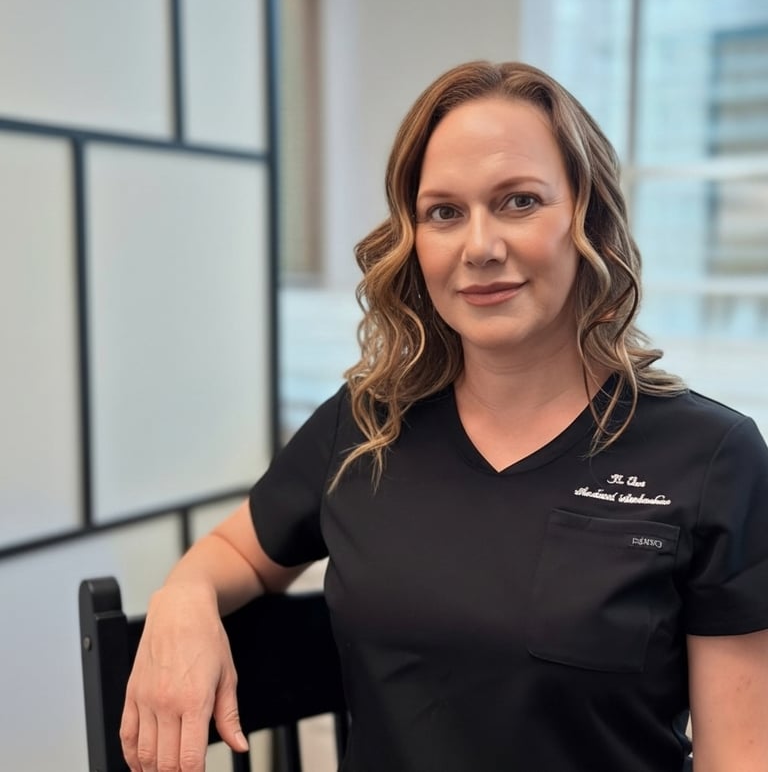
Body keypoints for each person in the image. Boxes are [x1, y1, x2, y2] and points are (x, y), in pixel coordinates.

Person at [120, 61, 768, 772]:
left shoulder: (712, 457)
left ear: (589, 219)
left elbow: (741, 756)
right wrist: (182, 598)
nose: (480, 247)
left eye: (519, 201)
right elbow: (241, 552)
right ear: (413, 239)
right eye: (444, 212)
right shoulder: (366, 426)